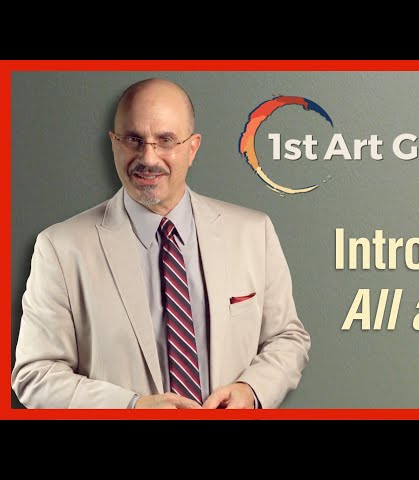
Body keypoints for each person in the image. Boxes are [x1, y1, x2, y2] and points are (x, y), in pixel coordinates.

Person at [11, 78, 311, 409]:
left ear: (193, 147)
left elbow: (287, 338)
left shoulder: (254, 232)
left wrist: (250, 390)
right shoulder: (60, 248)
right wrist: (131, 407)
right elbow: (35, 375)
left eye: (165, 140)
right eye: (133, 139)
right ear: (113, 143)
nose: (148, 158)